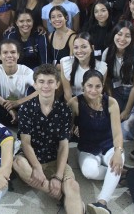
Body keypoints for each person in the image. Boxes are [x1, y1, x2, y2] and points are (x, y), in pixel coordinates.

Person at [13, 64, 83, 213]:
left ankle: (72, 203)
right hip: (32, 158)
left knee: (73, 187)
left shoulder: (64, 110)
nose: (46, 86)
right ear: (35, 84)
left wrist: (58, 176)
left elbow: (64, 146)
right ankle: (61, 197)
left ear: (57, 84)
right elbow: (25, 143)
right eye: (41, 81)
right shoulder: (26, 109)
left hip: (54, 157)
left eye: (50, 82)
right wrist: (37, 167)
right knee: (18, 163)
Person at [67, 70, 124, 214]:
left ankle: (102, 203)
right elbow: (67, 129)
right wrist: (73, 129)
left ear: (102, 86)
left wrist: (118, 151)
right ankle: (120, 173)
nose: (93, 90)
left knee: (116, 160)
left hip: (109, 144)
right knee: (89, 171)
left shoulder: (111, 102)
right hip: (87, 147)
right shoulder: (74, 102)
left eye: (97, 86)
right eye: (89, 86)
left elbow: (117, 132)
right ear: (83, 86)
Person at [102, 21, 134, 140]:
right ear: (114, 35)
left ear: (132, 38)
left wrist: (126, 111)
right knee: (107, 121)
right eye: (119, 34)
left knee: (124, 132)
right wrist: (112, 100)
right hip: (118, 92)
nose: (122, 39)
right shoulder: (107, 52)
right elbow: (107, 80)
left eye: (127, 36)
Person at [0, 39, 36, 125]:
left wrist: (19, 102)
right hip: (1, 109)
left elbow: (41, 90)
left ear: (18, 55)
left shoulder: (26, 71)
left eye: (13, 52)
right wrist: (6, 105)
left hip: (22, 110)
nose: (9, 55)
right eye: (5, 52)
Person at [60, 32, 107, 102]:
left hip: (93, 101)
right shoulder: (66, 63)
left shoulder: (101, 67)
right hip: (73, 101)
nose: (79, 51)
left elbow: (98, 93)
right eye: (76, 47)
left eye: (84, 47)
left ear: (92, 48)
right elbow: (67, 94)